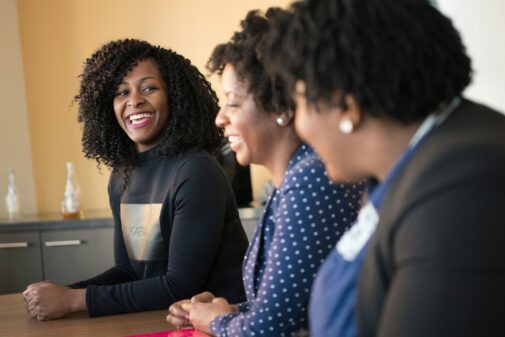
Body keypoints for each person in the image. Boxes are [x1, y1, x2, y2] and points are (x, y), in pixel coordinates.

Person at [262, 0, 505, 336]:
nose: (299, 126)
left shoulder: (462, 183)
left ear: (346, 106)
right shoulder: (419, 163)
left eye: (300, 103)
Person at [166, 8, 364, 336]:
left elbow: (269, 329)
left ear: (281, 106)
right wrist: (227, 310)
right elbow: (292, 306)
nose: (219, 118)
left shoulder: (309, 179)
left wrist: (213, 321)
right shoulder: (292, 178)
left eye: (232, 102)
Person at [22, 39, 248, 320]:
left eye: (149, 88)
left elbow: (179, 285)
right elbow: (128, 272)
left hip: (218, 326)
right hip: (155, 318)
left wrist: (73, 300)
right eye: (121, 92)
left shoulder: (196, 171)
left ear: (174, 96)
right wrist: (63, 293)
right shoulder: (122, 175)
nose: (134, 100)